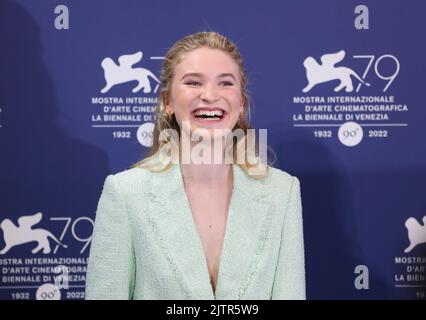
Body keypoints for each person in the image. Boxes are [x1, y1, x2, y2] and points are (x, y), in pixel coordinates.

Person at [85, 31, 305, 300]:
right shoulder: (126, 192)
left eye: (225, 83)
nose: (210, 95)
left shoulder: (282, 191)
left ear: (242, 104)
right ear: (167, 102)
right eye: (193, 82)